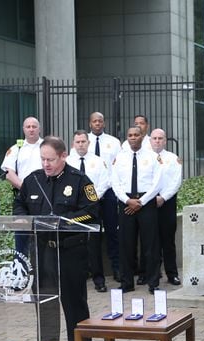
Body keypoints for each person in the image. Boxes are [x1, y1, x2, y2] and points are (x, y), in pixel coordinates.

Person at [13, 136, 99, 341]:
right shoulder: (33, 179)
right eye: (42, 159)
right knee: (45, 303)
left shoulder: (80, 180)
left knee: (74, 306)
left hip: (70, 251)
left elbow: (92, 210)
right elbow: (19, 204)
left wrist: (64, 222)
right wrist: (21, 217)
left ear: (63, 156)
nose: (46, 164)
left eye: (50, 159)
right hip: (41, 253)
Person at [111, 126, 163, 293]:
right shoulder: (119, 158)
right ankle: (126, 283)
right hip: (126, 202)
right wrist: (128, 200)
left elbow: (157, 184)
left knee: (151, 245)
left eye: (136, 135)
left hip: (146, 202)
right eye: (130, 135)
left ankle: (153, 282)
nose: (133, 138)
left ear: (143, 137)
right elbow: (115, 183)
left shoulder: (153, 157)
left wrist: (140, 201)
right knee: (126, 244)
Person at [68, 129, 110, 293]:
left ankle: (99, 280)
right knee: (74, 244)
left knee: (94, 246)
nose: (80, 144)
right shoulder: (68, 161)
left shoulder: (98, 161)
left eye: (83, 141)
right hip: (73, 209)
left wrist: (90, 200)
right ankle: (76, 278)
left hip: (92, 209)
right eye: (77, 142)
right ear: (73, 144)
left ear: (88, 142)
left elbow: (104, 183)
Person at [0, 117, 43, 255]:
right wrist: (26, 189)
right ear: (23, 129)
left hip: (45, 196)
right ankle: (20, 271)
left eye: (34, 126)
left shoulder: (46, 146)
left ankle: (43, 272)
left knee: (43, 235)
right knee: (21, 236)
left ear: (39, 128)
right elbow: (9, 173)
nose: (31, 129)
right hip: (23, 197)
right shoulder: (16, 149)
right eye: (28, 126)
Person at [87, 111, 122, 281]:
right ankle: (92, 271)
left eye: (100, 121)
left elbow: (118, 167)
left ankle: (116, 268)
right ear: (90, 124)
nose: (98, 124)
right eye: (95, 121)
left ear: (104, 123)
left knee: (111, 231)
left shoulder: (113, 143)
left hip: (108, 191)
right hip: (87, 194)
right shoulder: (83, 141)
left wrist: (102, 191)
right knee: (90, 232)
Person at [150, 128, 183, 285]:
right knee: (151, 241)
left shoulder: (173, 158)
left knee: (168, 241)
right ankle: (153, 275)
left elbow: (176, 182)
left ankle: (172, 274)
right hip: (148, 202)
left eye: (160, 138)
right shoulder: (144, 158)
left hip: (167, 202)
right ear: (150, 140)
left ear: (165, 140)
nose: (157, 141)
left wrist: (163, 197)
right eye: (154, 138)